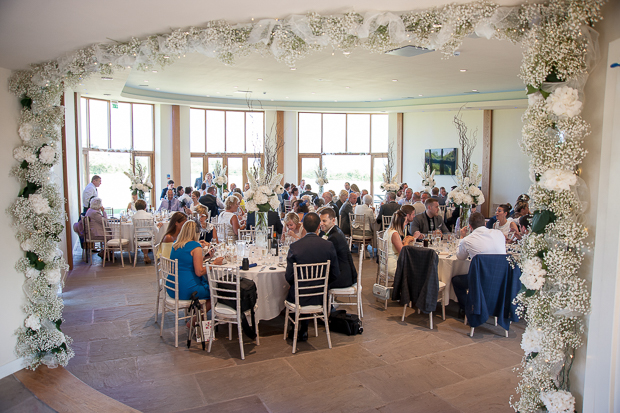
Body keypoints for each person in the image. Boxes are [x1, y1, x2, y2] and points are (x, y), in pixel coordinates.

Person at [284, 212, 340, 341]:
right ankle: (302, 329)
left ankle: (297, 327)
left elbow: (289, 276)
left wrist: (296, 285)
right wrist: (323, 285)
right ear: (318, 227)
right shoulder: (328, 245)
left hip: (299, 297)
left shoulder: (295, 247)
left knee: (291, 290)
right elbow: (335, 273)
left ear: (303, 226)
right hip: (320, 296)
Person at [451, 212, 507, 317]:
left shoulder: (467, 240)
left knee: (456, 281)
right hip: (501, 278)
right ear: (485, 224)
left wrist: (462, 237)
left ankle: (466, 308)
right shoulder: (498, 234)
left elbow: (460, 257)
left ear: (470, 227)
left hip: (480, 280)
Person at [169, 221, 212, 308]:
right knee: (216, 293)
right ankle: (195, 320)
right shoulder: (195, 246)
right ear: (196, 233)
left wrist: (203, 258)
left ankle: (195, 315)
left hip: (172, 287)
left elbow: (186, 260)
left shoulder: (176, 244)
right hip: (186, 289)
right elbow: (199, 272)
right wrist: (214, 264)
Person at [319, 207, 356, 289]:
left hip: (343, 277)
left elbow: (326, 258)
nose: (321, 223)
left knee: (316, 282)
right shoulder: (335, 230)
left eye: (324, 221)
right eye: (320, 220)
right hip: (344, 273)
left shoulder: (334, 237)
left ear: (333, 220)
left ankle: (323, 301)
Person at [383, 210, 418, 278]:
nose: (406, 224)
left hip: (385, 263)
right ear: (400, 223)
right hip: (392, 265)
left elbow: (395, 246)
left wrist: (404, 241)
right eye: (405, 222)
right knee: (415, 268)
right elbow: (403, 253)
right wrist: (407, 241)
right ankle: (405, 287)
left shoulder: (388, 231)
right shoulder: (394, 234)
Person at [133, 199, 154, 264]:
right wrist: (158, 227)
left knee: (142, 235)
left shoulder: (133, 216)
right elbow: (154, 227)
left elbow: (133, 228)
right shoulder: (149, 215)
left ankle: (145, 255)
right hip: (148, 238)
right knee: (147, 234)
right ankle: (146, 255)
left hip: (138, 239)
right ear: (145, 206)